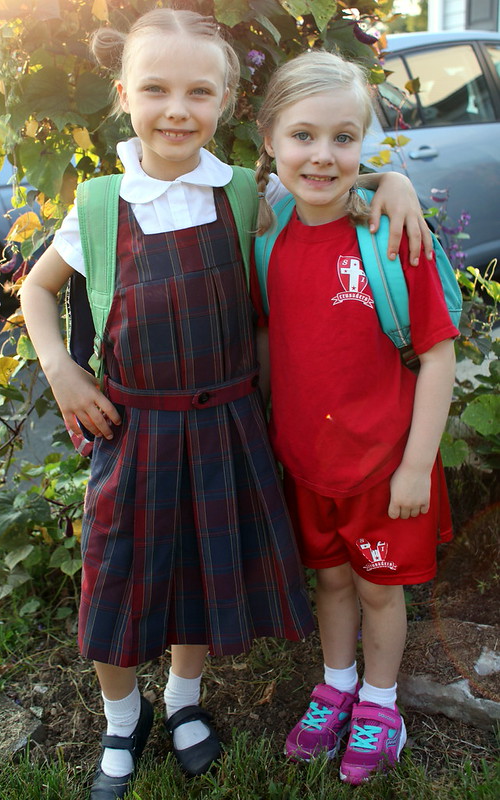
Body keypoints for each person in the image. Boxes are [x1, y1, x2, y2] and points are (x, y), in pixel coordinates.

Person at [21, 9, 432, 799]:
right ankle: (122, 718)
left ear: (227, 102)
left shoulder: (247, 192)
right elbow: (37, 290)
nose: (177, 110)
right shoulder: (102, 203)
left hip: (223, 425)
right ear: (122, 96)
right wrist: (61, 370)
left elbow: (326, 185)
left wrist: (395, 181)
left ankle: (184, 701)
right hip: (134, 429)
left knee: (198, 574)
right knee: (115, 580)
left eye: (198, 92)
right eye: (156, 89)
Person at [252, 50, 459, 785]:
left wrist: (415, 466)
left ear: (364, 142)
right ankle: (336, 688)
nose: (323, 155)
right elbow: (270, 337)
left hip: (384, 463)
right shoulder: (266, 232)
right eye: (303, 135)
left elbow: (437, 354)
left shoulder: (391, 234)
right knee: (332, 583)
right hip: (307, 460)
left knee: (378, 588)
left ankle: (380, 704)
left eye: (345, 138)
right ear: (270, 138)